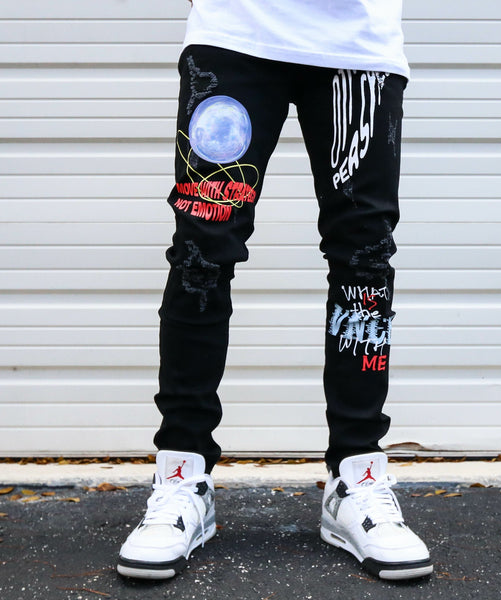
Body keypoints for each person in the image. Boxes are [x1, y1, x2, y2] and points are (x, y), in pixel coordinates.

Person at [117, 0, 433, 582]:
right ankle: (183, 474)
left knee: (364, 258)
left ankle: (357, 477)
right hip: (235, 32)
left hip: (357, 44)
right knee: (202, 252)